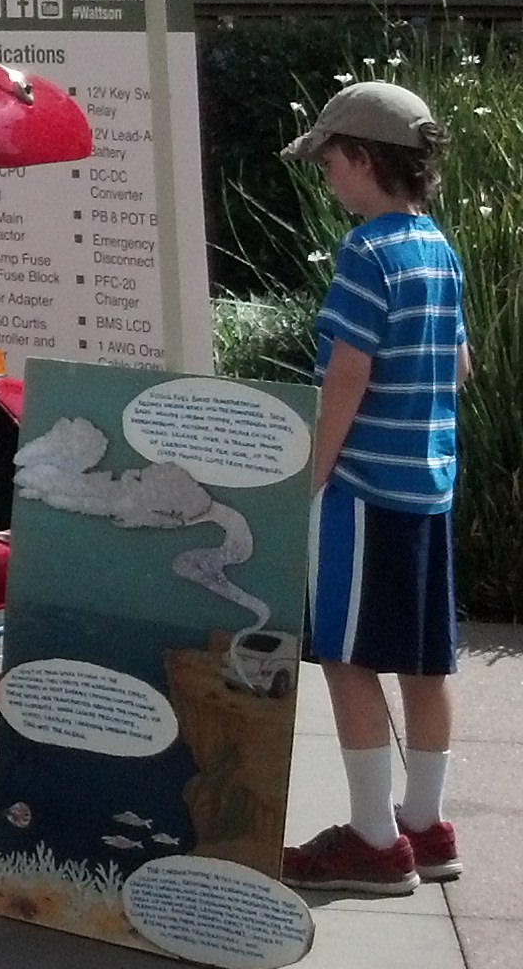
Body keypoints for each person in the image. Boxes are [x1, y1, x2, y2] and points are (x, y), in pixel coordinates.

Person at [281, 81, 468, 895]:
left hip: (363, 490)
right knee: (426, 666)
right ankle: (426, 825)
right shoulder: (437, 248)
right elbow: (459, 366)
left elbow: (347, 375)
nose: (327, 178)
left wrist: (311, 476)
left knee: (345, 656)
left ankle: (372, 840)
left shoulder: (367, 252)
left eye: (329, 162)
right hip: (429, 487)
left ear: (362, 157)